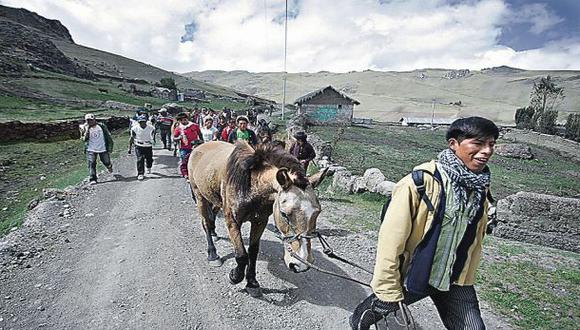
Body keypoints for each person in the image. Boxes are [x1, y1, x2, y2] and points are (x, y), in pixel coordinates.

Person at [350, 117, 499, 330]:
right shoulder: (418, 183)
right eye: (478, 143)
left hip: (454, 278)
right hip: (415, 272)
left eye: (491, 144)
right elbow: (391, 241)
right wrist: (389, 290)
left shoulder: (480, 188)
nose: (486, 151)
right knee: (370, 316)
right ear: (453, 144)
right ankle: (356, 322)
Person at [80, 114, 114, 185]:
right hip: (91, 149)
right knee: (91, 163)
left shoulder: (101, 126)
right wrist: (87, 131)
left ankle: (109, 166)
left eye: (91, 120)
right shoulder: (84, 127)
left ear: (94, 119)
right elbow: (83, 139)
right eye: (88, 120)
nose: (90, 122)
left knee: (106, 161)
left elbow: (108, 136)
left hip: (102, 148)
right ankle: (93, 178)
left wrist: (110, 147)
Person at [173, 112, 202, 178]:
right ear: (180, 121)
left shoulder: (194, 125)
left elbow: (199, 134)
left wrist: (201, 141)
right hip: (184, 147)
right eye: (182, 120)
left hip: (195, 146)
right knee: (184, 159)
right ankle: (185, 173)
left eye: (185, 119)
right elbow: (174, 138)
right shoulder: (178, 128)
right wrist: (179, 138)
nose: (184, 121)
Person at [128, 115, 155, 180]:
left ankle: (149, 167)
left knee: (149, 159)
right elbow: (132, 138)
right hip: (139, 145)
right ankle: (140, 173)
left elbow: (153, 136)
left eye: (143, 122)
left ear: (146, 121)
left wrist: (153, 141)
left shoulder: (151, 128)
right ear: (138, 122)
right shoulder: (134, 129)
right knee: (140, 159)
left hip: (148, 145)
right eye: (140, 122)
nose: (142, 123)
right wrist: (129, 148)